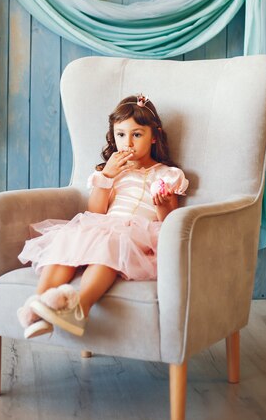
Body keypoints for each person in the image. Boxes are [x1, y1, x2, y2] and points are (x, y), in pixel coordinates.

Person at [17, 94, 189, 339]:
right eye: (120, 135)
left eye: (137, 134)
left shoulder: (168, 174)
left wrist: (161, 205)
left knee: (110, 245)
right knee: (69, 237)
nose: (127, 142)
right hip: (105, 223)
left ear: (154, 136)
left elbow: (170, 220)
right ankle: (38, 306)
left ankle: (80, 308)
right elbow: (95, 212)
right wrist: (106, 177)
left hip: (139, 232)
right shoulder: (110, 171)